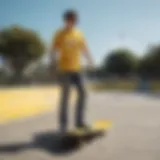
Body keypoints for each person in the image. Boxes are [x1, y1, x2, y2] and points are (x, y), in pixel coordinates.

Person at [49, 9, 94, 132]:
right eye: (69, 20)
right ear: (65, 20)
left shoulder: (79, 34)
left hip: (77, 69)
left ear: (75, 21)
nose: (71, 22)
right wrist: (52, 65)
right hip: (64, 69)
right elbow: (53, 50)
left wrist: (90, 60)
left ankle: (80, 122)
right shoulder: (59, 33)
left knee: (83, 93)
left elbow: (84, 48)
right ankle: (63, 125)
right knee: (65, 97)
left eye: (73, 20)